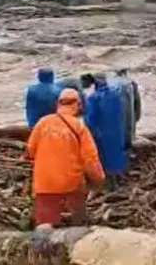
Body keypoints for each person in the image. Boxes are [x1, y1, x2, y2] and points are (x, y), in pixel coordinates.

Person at [26, 88, 105, 227]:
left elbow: (30, 151)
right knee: (77, 227)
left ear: (58, 104)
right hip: (71, 186)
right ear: (78, 105)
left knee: (45, 230)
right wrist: (99, 180)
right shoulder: (79, 127)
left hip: (44, 186)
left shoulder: (43, 123)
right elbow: (90, 160)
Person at [85, 75, 126, 190]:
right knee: (117, 152)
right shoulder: (116, 95)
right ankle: (119, 175)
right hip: (116, 130)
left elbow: (91, 119)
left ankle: (108, 182)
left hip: (102, 132)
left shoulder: (93, 98)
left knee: (104, 156)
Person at [108, 68, 141, 151]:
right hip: (128, 113)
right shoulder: (131, 83)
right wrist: (137, 116)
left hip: (116, 116)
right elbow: (137, 102)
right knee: (128, 131)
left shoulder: (111, 84)